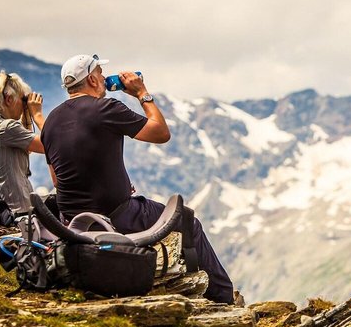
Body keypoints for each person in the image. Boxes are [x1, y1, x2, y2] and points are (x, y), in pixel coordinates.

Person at [41, 54, 234, 304]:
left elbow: (57, 180)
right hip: (117, 214)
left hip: (73, 221)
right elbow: (161, 133)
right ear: (91, 79)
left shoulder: (51, 122)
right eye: (100, 73)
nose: (104, 79)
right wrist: (142, 92)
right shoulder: (106, 108)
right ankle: (220, 299)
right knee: (189, 222)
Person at [0, 71, 46, 214]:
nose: (24, 104)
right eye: (22, 99)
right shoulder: (7, 128)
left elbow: (28, 148)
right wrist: (37, 115)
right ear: (9, 99)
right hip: (18, 211)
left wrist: (26, 115)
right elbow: (51, 145)